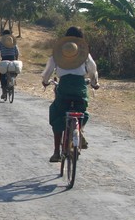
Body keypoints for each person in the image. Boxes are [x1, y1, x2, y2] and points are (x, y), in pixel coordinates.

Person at [41, 26, 100, 162]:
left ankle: (56, 152)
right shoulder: (85, 54)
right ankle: (79, 130)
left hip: (64, 89)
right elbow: (93, 70)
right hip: (80, 89)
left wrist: (45, 82)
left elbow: (48, 71)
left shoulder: (58, 53)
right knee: (82, 112)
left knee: (56, 114)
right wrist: (94, 83)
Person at [0, 30, 19, 101]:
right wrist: (16, 60)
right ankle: (13, 81)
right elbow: (17, 52)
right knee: (15, 71)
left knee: (2, 75)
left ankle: (4, 91)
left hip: (4, 59)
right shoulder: (13, 42)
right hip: (12, 59)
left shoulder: (1, 42)